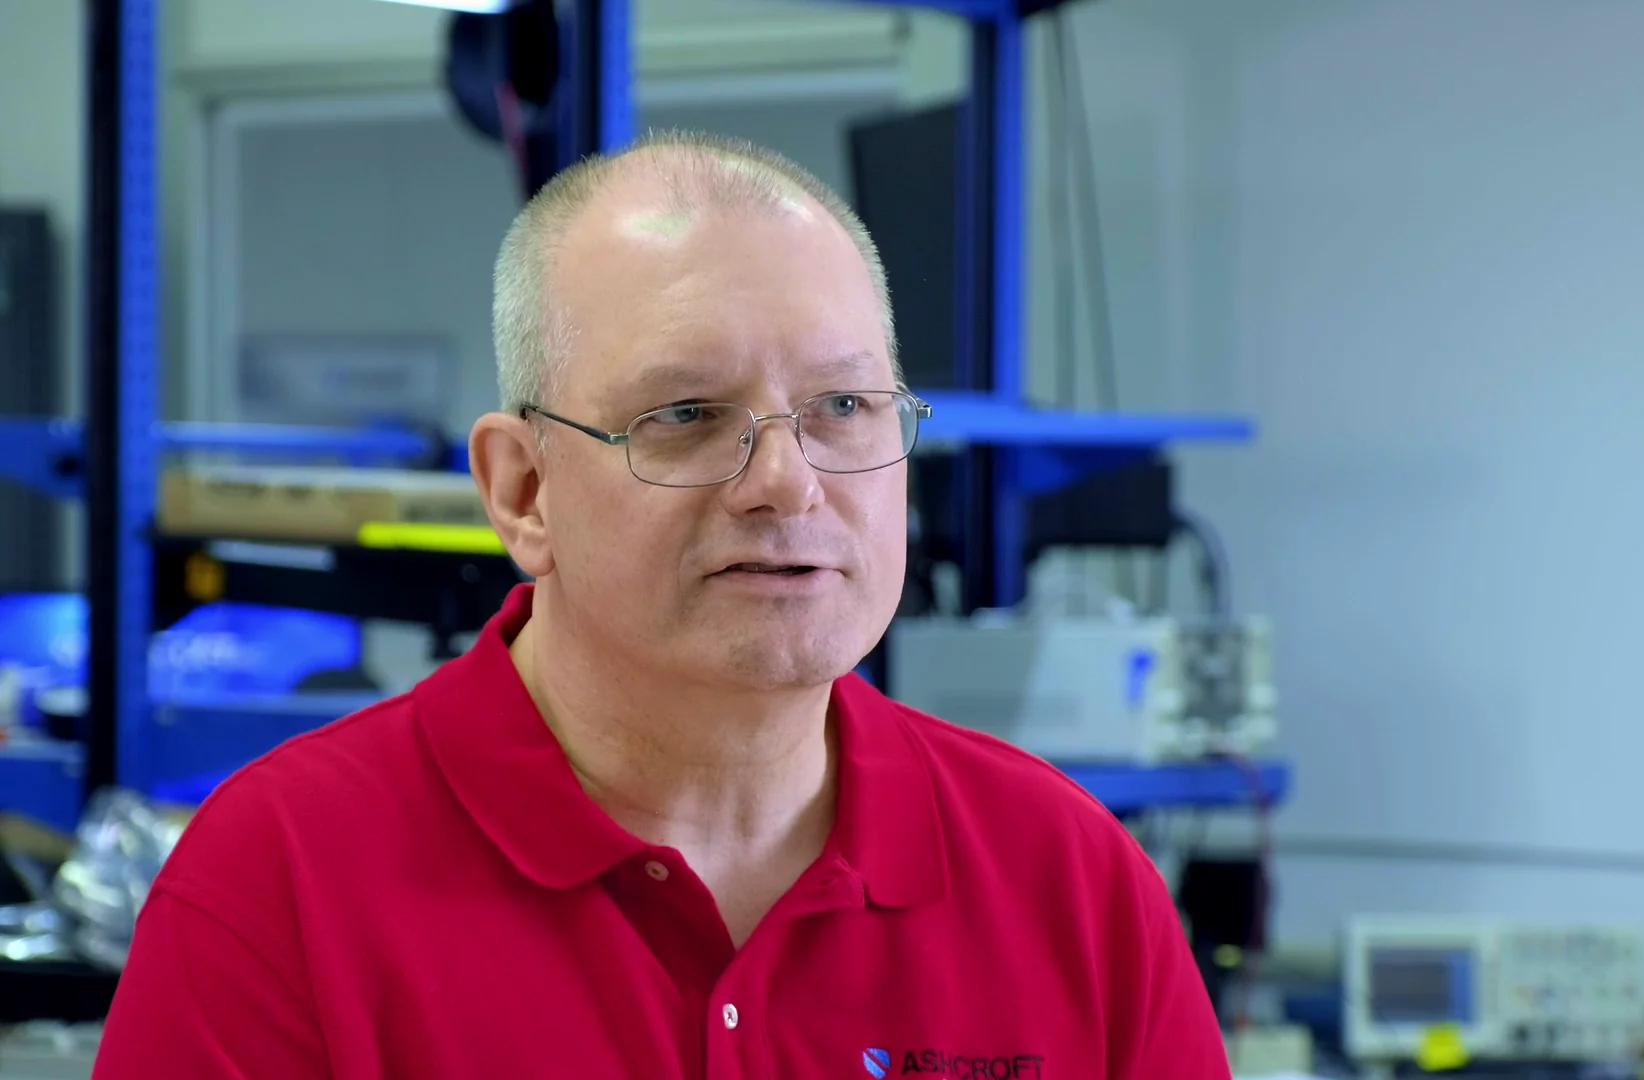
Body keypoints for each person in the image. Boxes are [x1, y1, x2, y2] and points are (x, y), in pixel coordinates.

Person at [94, 131, 1229, 1079]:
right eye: (684, 415)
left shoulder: (1069, 883)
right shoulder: (280, 886)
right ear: (522, 490)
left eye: (842, 405)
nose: (786, 479)